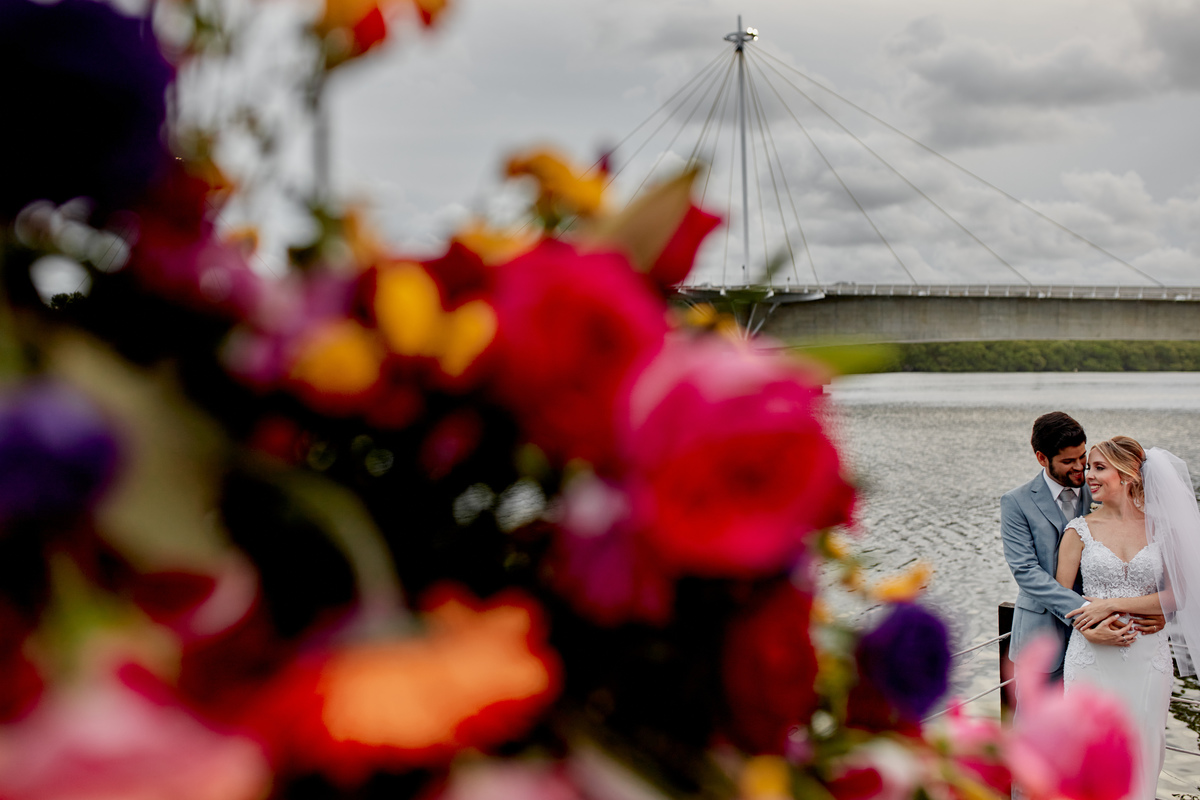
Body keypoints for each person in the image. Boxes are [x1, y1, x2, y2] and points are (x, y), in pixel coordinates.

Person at [1055, 436, 1200, 799]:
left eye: (1099, 468)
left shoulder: (1162, 529)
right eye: (1089, 467)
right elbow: (1062, 596)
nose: (1089, 475)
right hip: (1090, 656)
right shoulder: (1078, 530)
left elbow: (1178, 594)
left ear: (1129, 474)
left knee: (1144, 749)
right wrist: (1091, 622)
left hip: (1146, 656)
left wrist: (1111, 604)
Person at [1001, 413, 1142, 702]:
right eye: (1069, 461)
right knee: (1034, 727)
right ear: (1042, 458)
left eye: (1083, 457)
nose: (1081, 468)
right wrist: (1085, 614)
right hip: (1041, 635)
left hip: (1104, 636)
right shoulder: (1016, 502)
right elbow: (1026, 571)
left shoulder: (1103, 489)